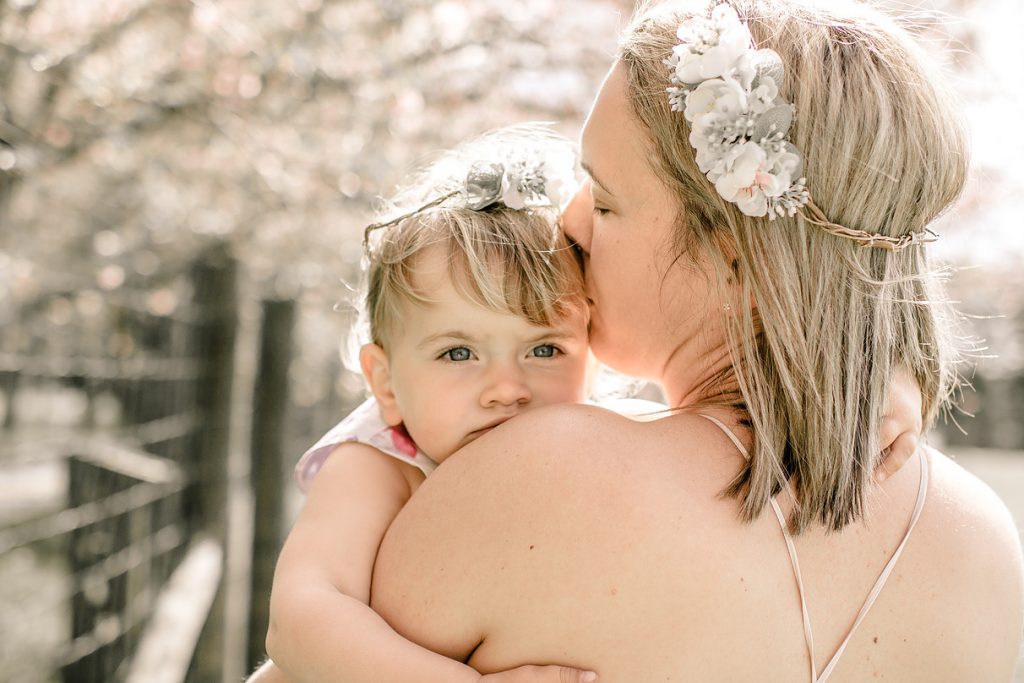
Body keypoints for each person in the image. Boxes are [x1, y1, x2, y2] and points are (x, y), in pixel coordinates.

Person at [356, 1, 1022, 681]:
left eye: (604, 201)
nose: (568, 223)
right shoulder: (984, 541)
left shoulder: (529, 477)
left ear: (732, 256)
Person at [261, 126, 609, 683]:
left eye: (544, 349)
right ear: (386, 384)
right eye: (458, 353)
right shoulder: (379, 465)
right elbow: (300, 621)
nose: (507, 388)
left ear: (592, 363)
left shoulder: (605, 446)